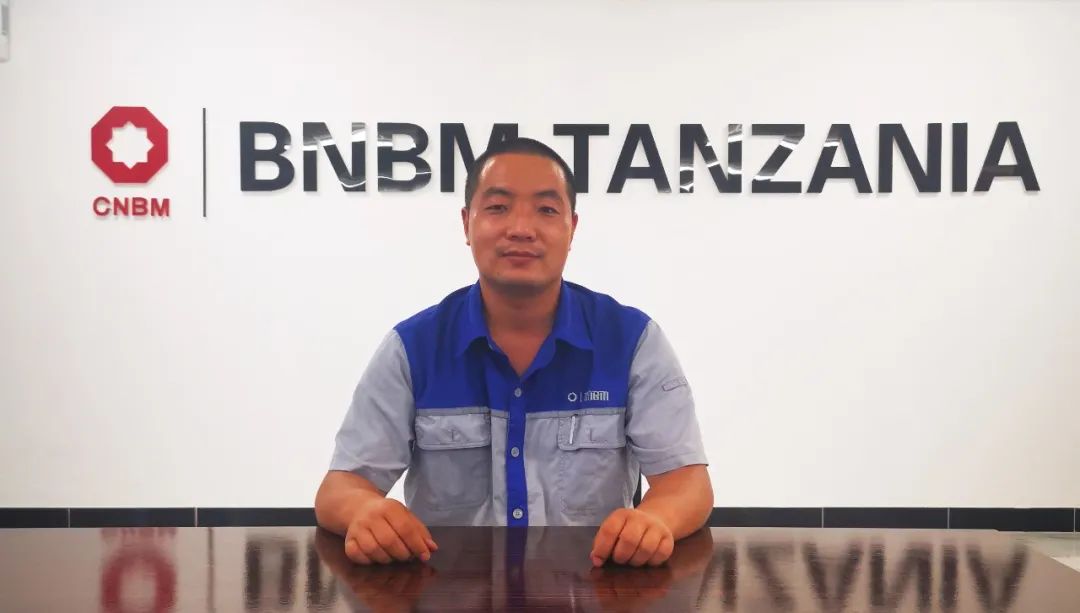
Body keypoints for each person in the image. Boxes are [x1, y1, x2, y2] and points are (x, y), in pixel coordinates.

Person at [314, 137, 712, 568]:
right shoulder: (412, 348)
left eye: (546, 210)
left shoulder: (632, 341)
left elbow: (687, 483)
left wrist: (655, 520)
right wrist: (366, 511)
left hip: (593, 590)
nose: (521, 228)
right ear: (466, 223)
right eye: (498, 207)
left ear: (572, 228)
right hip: (446, 592)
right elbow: (340, 489)